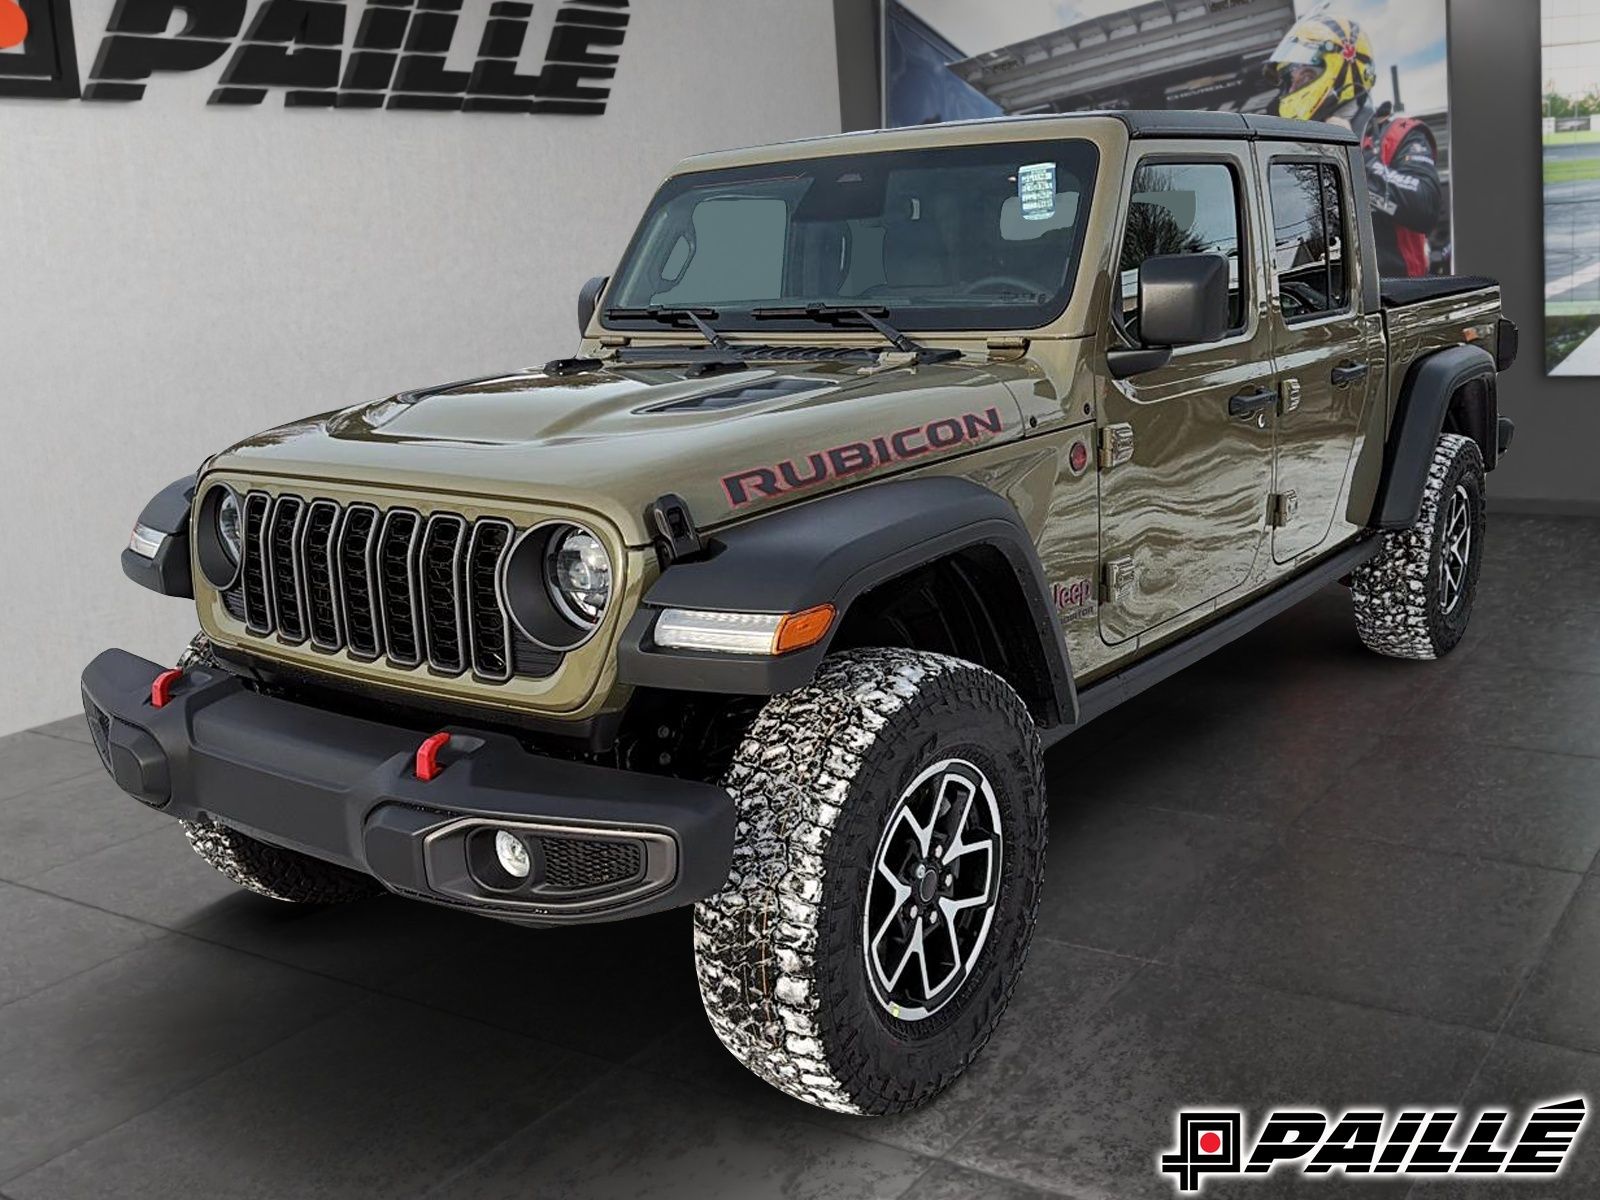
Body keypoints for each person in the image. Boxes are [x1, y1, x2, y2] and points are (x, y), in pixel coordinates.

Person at [1265, 10, 1443, 277]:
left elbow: (1424, 208)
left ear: (1344, 69)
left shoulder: (1398, 134)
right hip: (1326, 304)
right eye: (1289, 82)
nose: (1290, 92)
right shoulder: (1298, 152)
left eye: (1303, 77)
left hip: (1396, 302)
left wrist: (1354, 156)